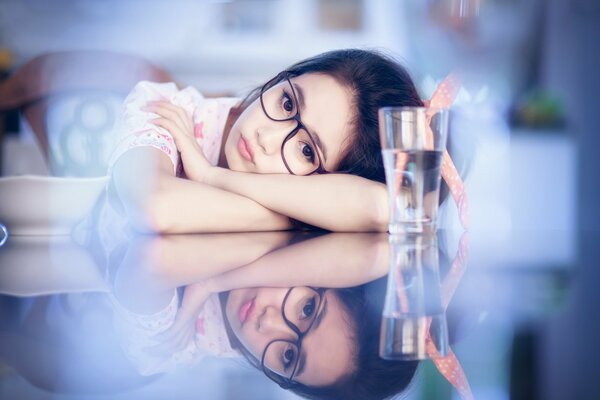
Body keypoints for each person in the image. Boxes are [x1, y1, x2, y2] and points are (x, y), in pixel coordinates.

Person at [108, 49, 424, 233]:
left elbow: (381, 206)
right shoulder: (166, 108)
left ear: (330, 181)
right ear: (284, 76)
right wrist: (296, 216)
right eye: (287, 103)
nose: (267, 137)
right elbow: (155, 207)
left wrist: (212, 176)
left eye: (305, 150)